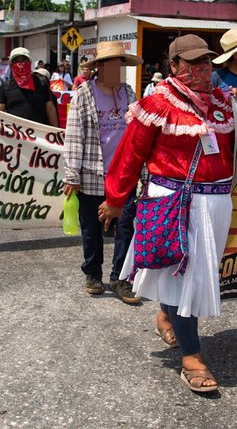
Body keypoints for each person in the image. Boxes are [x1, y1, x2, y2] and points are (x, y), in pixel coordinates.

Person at [98, 34, 236, 394]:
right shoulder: (158, 103)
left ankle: (166, 313)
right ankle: (192, 356)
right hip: (175, 200)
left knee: (189, 274)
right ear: (173, 66)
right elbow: (130, 154)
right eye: (191, 63)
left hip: (217, 202)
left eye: (205, 62)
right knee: (184, 279)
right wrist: (115, 198)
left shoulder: (224, 101)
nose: (200, 69)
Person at [64, 40, 142, 304]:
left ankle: (120, 278)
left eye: (121, 64)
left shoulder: (130, 94)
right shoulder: (84, 95)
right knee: (92, 230)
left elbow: (138, 135)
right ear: (99, 67)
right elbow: (74, 136)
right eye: (112, 64)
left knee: (125, 227)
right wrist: (71, 175)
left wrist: (142, 174)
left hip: (123, 176)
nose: (117, 69)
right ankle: (93, 273)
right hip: (91, 173)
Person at [0, 48, 58, 127]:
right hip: (15, 135)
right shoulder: (5, 87)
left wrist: (55, 132)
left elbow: (50, 108)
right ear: (11, 65)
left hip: (39, 134)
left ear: (29, 62)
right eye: (17, 61)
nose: (21, 64)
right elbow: (0, 112)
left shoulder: (41, 82)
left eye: (24, 60)